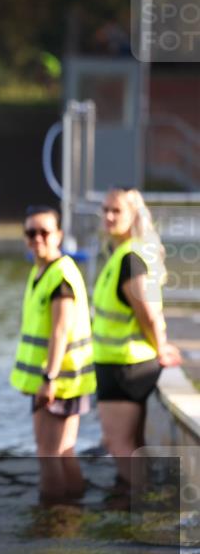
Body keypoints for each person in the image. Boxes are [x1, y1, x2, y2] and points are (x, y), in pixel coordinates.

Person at [92, 188, 181, 486]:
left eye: (116, 210)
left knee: (118, 444)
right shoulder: (125, 254)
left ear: (133, 216)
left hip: (124, 366)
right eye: (105, 209)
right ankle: (147, 500)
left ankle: (139, 503)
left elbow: (147, 313)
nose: (108, 216)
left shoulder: (131, 259)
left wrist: (161, 346)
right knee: (132, 445)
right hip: (122, 363)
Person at [10, 206, 96, 502]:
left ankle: (53, 517)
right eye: (31, 232)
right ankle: (74, 510)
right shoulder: (41, 271)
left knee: (48, 453)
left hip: (59, 380)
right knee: (62, 451)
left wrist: (49, 379)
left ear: (58, 235)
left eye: (44, 232)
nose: (37, 238)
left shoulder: (60, 276)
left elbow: (60, 330)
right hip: (58, 379)